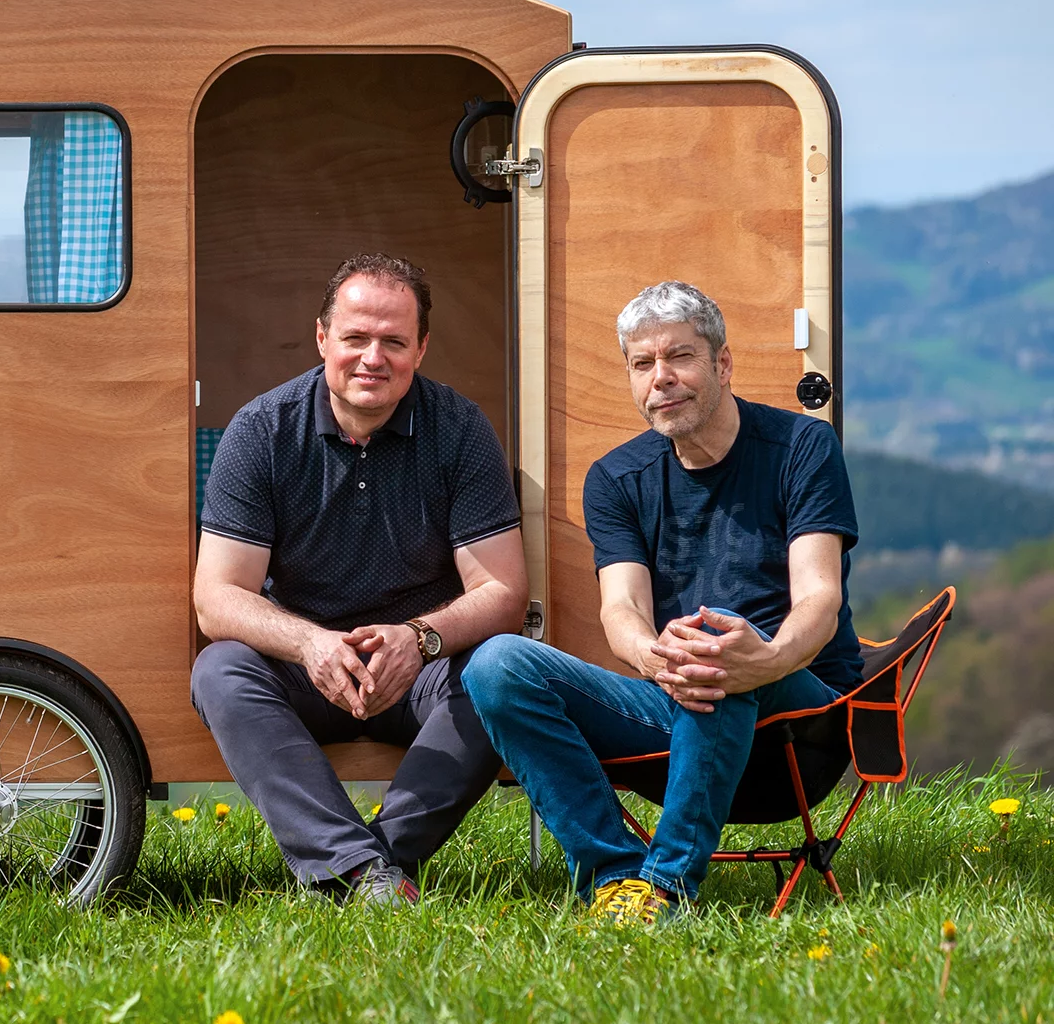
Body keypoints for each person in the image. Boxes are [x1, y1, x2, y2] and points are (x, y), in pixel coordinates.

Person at [462, 280, 862, 926]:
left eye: (679, 356)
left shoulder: (802, 450)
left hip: (802, 721)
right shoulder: (616, 479)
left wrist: (762, 658)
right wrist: (657, 659)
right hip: (676, 705)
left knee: (719, 638)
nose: (661, 378)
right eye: (643, 364)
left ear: (722, 363)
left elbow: (819, 598)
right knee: (495, 664)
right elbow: (621, 611)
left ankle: (669, 887)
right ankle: (616, 877)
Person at [191, 254, 529, 906]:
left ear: (421, 348)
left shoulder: (461, 431)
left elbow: (503, 592)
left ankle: (368, 866)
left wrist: (419, 638)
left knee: (501, 674)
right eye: (355, 338)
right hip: (306, 667)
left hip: (423, 668)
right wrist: (312, 644)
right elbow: (217, 596)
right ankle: (361, 870)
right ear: (323, 338)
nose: (373, 357)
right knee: (220, 669)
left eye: (394, 342)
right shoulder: (261, 430)